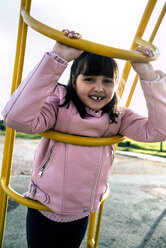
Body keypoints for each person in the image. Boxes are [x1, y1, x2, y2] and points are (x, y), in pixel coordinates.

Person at [2, 29, 166, 248]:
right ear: (73, 79)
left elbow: (160, 130)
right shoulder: (58, 105)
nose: (99, 88)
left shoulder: (118, 116)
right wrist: (57, 57)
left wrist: (148, 75)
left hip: (81, 212)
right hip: (45, 208)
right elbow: (16, 119)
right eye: (89, 79)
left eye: (108, 81)